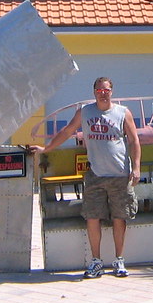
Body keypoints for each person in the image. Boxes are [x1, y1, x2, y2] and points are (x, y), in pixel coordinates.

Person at [32, 77, 141, 278]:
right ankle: (96, 262)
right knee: (92, 217)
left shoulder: (123, 113)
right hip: (95, 175)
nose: (103, 93)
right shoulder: (84, 112)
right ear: (94, 92)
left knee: (119, 218)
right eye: (99, 90)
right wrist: (46, 148)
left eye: (106, 90)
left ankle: (119, 261)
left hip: (120, 175)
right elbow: (67, 131)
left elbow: (134, 141)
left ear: (111, 92)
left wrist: (136, 167)